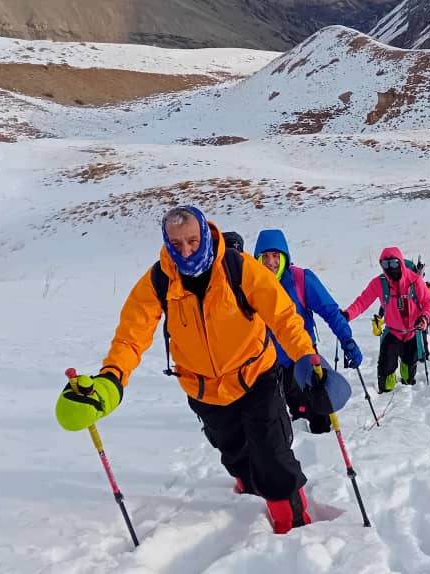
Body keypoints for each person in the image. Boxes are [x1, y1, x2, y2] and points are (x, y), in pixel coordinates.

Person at [54, 206, 344, 535]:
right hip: (204, 389)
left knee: (273, 457)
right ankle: (249, 499)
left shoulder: (239, 267)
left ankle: (293, 528)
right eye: (177, 244)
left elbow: (284, 317)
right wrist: (111, 379)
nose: (186, 250)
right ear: (167, 243)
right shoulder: (158, 281)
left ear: (205, 234)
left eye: (192, 240)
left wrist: (306, 357)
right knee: (234, 455)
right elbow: (131, 337)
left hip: (256, 377)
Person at [253, 229, 362, 434]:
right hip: (272, 363)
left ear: (284, 257)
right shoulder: (252, 286)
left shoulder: (301, 280)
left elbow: (330, 311)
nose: (270, 262)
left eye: (276, 256)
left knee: (318, 411)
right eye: (265, 256)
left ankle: (323, 443)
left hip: (304, 358)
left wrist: (347, 339)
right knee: (295, 414)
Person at [341, 247, 430, 393]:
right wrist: (347, 315)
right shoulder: (380, 283)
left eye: (393, 263)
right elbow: (362, 302)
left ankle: (407, 385)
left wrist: (425, 317)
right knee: (386, 371)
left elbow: (429, 301)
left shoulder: (415, 281)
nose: (390, 268)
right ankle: (385, 393)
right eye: (385, 264)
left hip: (412, 333)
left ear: (400, 263)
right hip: (392, 333)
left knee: (409, 370)